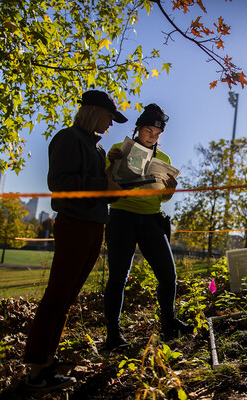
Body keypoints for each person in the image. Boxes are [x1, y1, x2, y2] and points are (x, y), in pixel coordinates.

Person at [23, 90, 127, 392]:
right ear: (94, 112)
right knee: (57, 295)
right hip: (75, 226)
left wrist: (111, 174)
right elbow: (60, 183)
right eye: (109, 117)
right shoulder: (69, 138)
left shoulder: (95, 148)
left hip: (94, 226)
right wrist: (102, 185)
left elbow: (95, 185)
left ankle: (48, 359)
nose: (111, 125)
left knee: (67, 298)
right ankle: (35, 371)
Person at [103, 103, 192, 350]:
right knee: (118, 277)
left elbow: (162, 197)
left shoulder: (163, 159)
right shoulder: (117, 150)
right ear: (138, 129)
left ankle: (169, 323)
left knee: (168, 275)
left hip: (152, 218)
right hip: (122, 217)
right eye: (148, 132)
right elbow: (105, 186)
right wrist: (111, 165)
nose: (152, 137)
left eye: (157, 134)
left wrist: (170, 190)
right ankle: (113, 334)